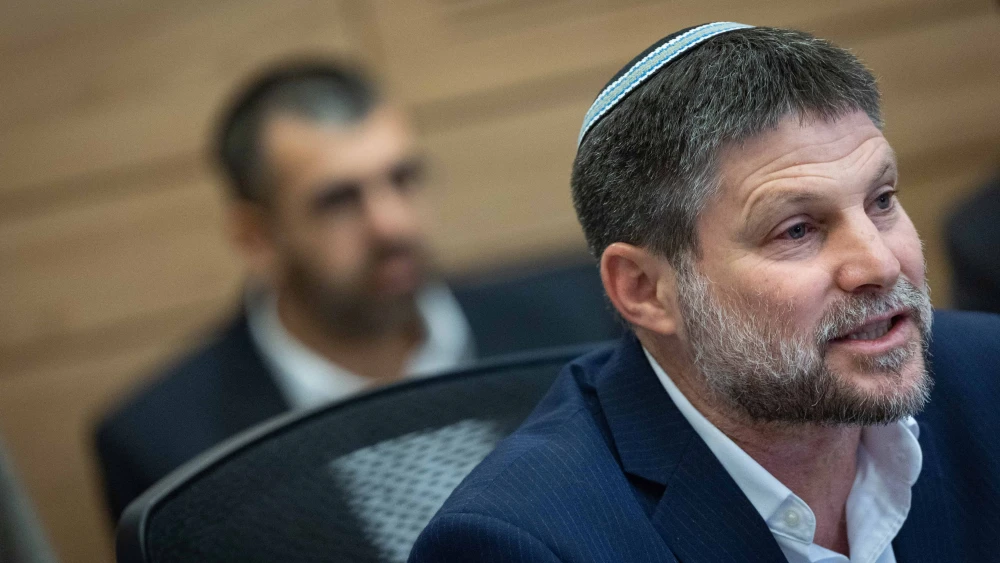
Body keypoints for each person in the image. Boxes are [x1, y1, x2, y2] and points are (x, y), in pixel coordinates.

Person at [410, 23, 1000, 562]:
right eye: (796, 230)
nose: (878, 261)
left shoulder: (991, 375)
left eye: (882, 201)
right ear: (645, 290)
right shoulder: (526, 543)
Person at [95, 61, 476, 521]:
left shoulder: (570, 318)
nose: (393, 225)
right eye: (338, 200)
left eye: (402, 178)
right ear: (255, 237)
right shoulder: (164, 445)